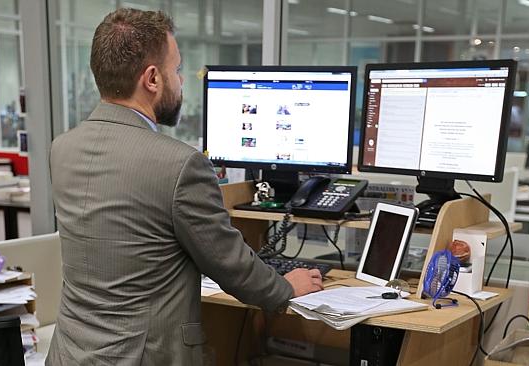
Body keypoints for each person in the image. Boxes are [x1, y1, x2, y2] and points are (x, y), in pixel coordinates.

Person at [46, 8, 323, 366]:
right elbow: (230, 265)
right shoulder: (180, 164)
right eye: (176, 70)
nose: (181, 82)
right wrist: (286, 287)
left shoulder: (62, 148)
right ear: (151, 79)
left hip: (70, 354)